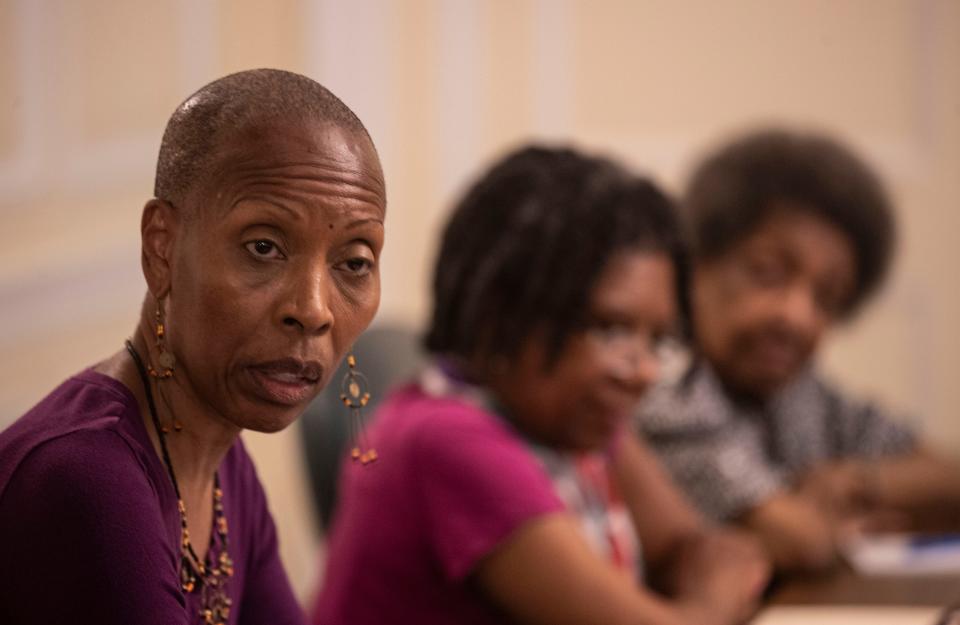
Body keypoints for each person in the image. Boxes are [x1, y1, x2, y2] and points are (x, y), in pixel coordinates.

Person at [314, 146, 769, 625]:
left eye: (658, 339)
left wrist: (704, 590)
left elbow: (692, 547)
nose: (641, 370)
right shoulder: (446, 441)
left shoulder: (575, 415)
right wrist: (713, 603)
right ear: (499, 311)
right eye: (607, 329)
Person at [0, 69, 386, 625]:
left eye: (353, 263)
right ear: (162, 247)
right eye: (264, 247)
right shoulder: (87, 480)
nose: (314, 309)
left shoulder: (224, 467)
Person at [638, 129, 960, 572]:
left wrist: (858, 482)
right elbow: (798, 542)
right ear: (695, 262)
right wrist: (827, 526)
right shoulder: (662, 382)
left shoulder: (799, 392)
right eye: (768, 273)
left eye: (827, 297)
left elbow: (948, 478)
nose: (799, 316)